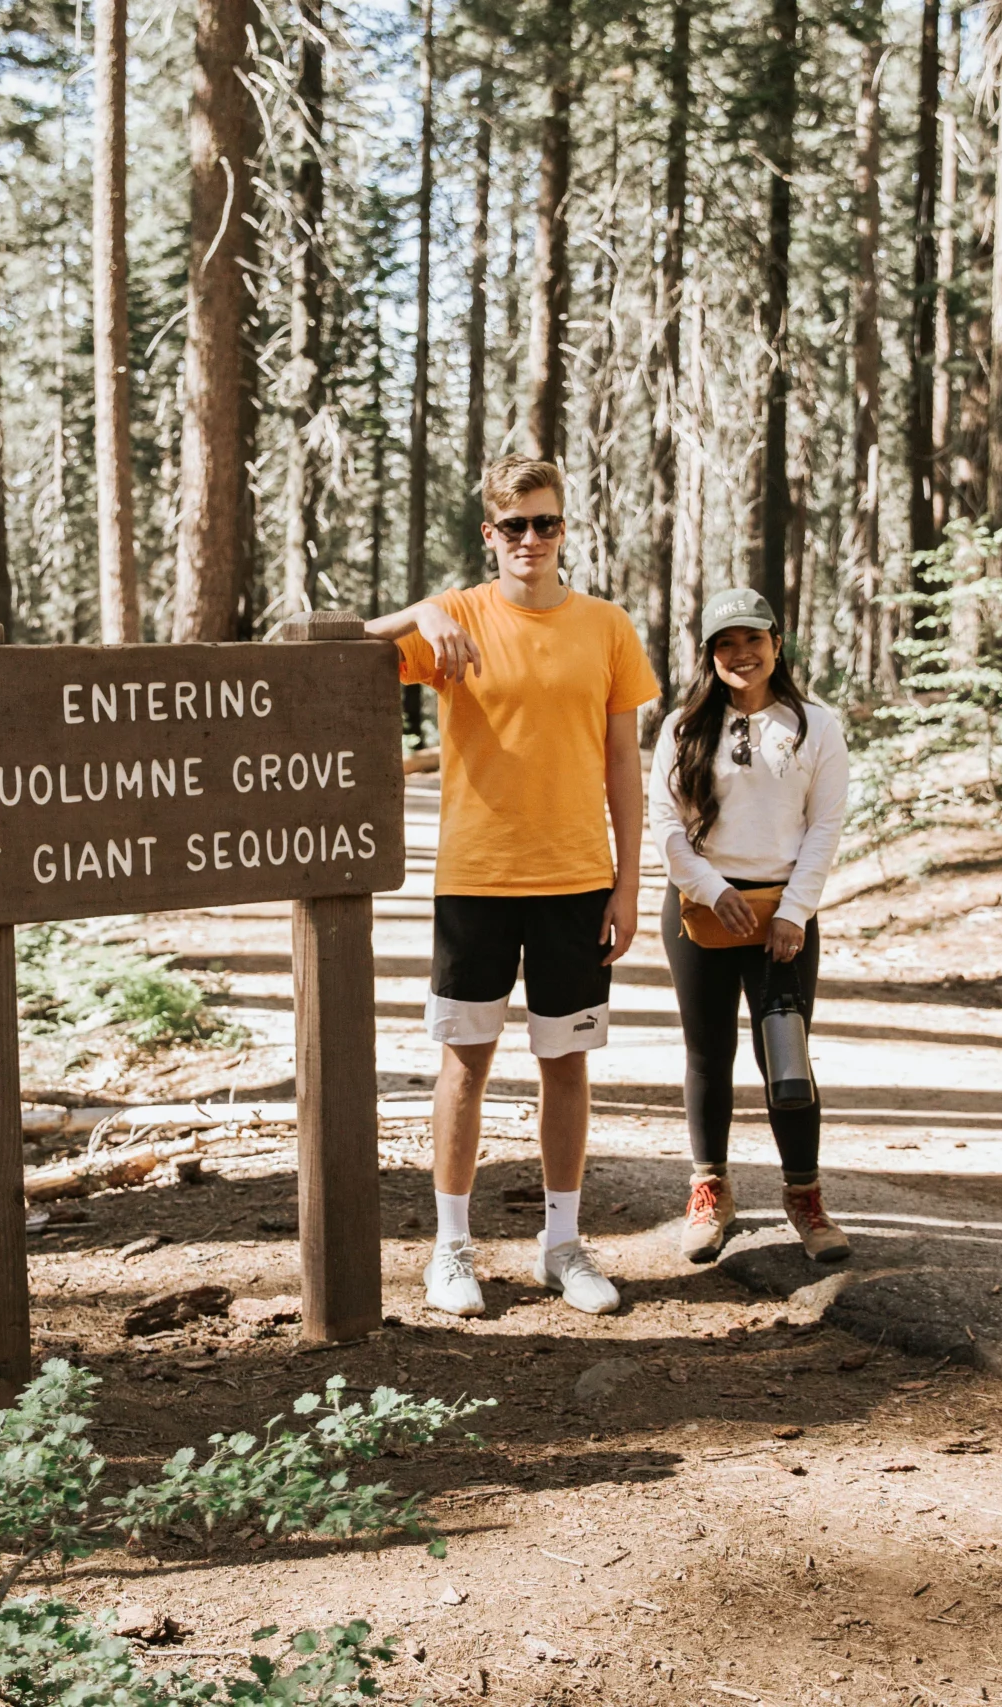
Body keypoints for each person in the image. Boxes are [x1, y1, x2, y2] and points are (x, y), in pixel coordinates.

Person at [366, 456, 659, 1319]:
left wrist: (628, 883)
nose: (533, 539)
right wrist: (419, 608)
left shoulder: (606, 627)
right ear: (490, 535)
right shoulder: (453, 620)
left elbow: (622, 767)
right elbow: (324, 646)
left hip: (576, 878)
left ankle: (561, 1246)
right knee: (464, 1065)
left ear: (564, 529)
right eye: (515, 525)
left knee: (564, 1063)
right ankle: (450, 1248)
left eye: (547, 522)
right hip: (476, 876)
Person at [649, 586, 852, 1266]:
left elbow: (824, 825)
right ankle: (710, 1191)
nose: (742, 654)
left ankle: (805, 1195)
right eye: (726, 643)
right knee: (708, 1054)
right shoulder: (682, 726)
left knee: (785, 1057)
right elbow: (666, 824)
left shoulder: (815, 727)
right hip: (699, 914)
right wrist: (708, 888)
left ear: (776, 642)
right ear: (709, 653)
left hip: (781, 922)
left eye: (753, 639)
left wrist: (794, 911)